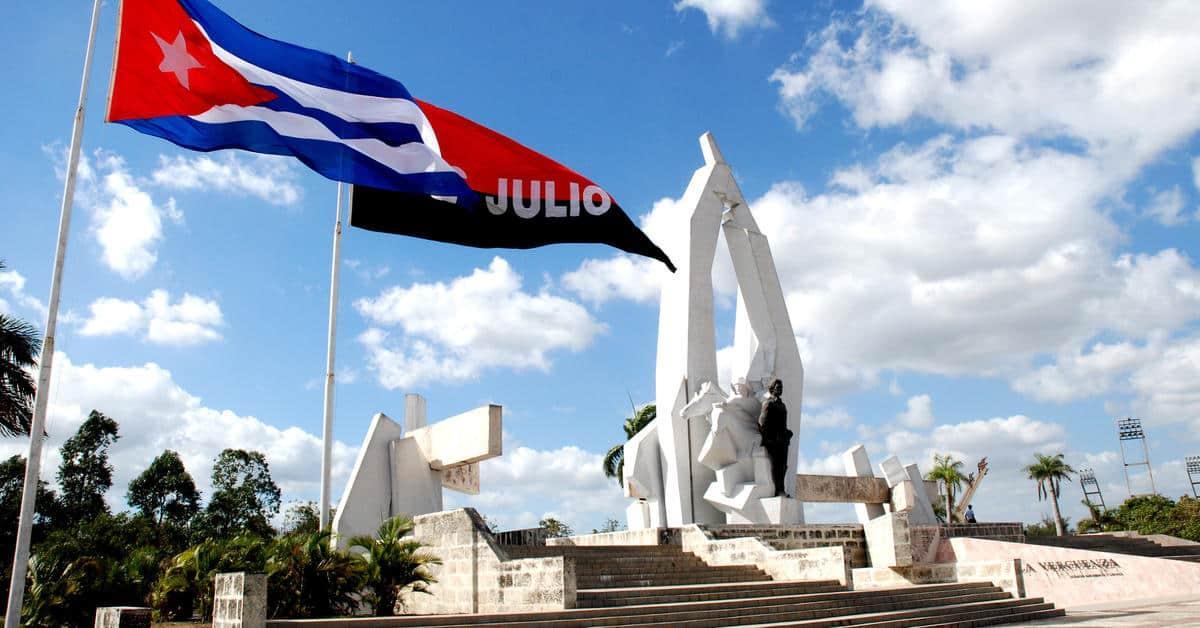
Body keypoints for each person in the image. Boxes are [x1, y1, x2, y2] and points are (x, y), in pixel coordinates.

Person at [758, 378, 793, 497]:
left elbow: (782, 423)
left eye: (781, 388)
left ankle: (782, 488)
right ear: (772, 389)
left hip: (783, 440)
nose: (780, 390)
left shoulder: (782, 405)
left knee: (784, 466)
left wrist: (787, 432)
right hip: (773, 441)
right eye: (778, 388)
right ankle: (779, 490)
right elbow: (762, 422)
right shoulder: (768, 403)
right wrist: (768, 439)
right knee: (777, 466)